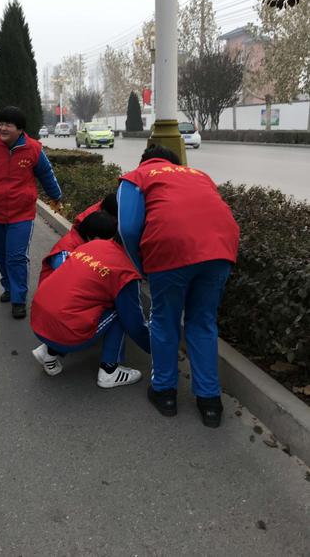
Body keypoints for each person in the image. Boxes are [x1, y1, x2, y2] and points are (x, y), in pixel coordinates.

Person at [117, 145, 240, 428]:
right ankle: (210, 403)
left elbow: (128, 228)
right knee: (203, 322)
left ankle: (165, 393)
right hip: (220, 250)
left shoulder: (137, 177)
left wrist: (142, 266)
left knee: (164, 320)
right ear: (176, 163)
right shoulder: (198, 175)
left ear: (144, 161)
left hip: (170, 252)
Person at [30, 212, 150, 388]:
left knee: (79, 304)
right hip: (65, 331)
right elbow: (134, 323)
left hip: (38, 319)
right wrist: (157, 349)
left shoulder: (93, 245)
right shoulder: (126, 273)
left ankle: (49, 351)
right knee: (121, 313)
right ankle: (110, 371)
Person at [0, 106, 62, 319]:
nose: (2, 128)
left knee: (16, 256)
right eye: (0, 124)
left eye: (8, 124)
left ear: (20, 129)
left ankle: (19, 298)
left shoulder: (34, 149)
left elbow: (46, 174)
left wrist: (57, 197)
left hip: (22, 213)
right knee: (1, 255)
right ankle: (8, 286)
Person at [38, 194, 118, 285]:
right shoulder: (66, 250)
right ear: (96, 239)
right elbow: (68, 277)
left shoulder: (83, 237)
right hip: (52, 292)